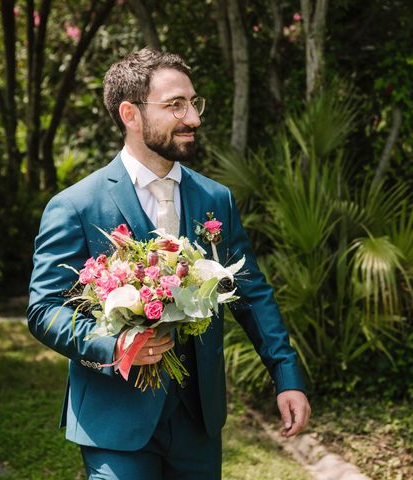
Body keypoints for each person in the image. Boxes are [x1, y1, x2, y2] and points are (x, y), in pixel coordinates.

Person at [27, 48, 310, 479]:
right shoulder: (75, 206)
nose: (193, 118)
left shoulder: (216, 200)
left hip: (198, 420)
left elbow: (250, 292)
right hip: (115, 422)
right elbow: (44, 310)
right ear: (130, 114)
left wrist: (286, 374)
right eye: (175, 105)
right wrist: (114, 345)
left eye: (193, 102)